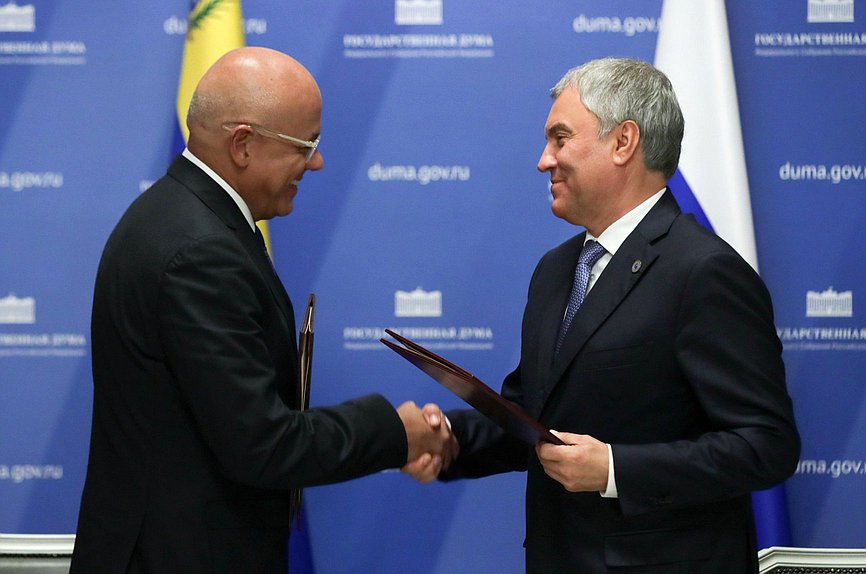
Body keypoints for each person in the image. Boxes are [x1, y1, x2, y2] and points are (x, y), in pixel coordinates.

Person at [404, 57, 800, 573]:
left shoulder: (704, 272)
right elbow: (534, 419)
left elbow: (766, 445)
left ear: (623, 142)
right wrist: (449, 441)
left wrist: (615, 468)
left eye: (560, 138)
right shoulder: (556, 269)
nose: (543, 160)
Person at [71, 47, 455, 574]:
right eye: (307, 144)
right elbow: (261, 444)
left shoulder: (181, 217)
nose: (317, 162)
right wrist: (394, 431)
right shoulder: (199, 251)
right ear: (244, 144)